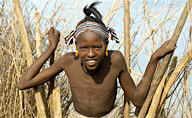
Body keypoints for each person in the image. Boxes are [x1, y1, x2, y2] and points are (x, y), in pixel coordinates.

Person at [17, 2, 176, 118]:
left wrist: (154, 58)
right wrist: (51, 49)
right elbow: (23, 83)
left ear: (106, 45)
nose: (91, 54)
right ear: (76, 47)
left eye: (97, 47)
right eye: (84, 48)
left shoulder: (115, 60)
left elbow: (137, 99)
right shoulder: (68, 61)